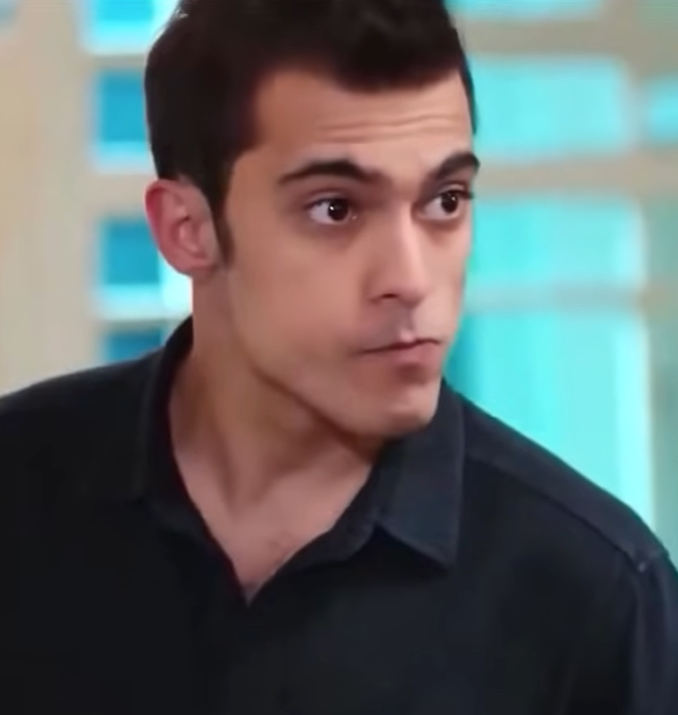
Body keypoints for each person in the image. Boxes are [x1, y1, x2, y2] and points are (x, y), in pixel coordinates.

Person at [1, 0, 677, 712]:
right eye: (336, 209)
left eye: (446, 201)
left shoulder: (597, 598)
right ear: (188, 230)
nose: (410, 279)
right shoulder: (18, 497)